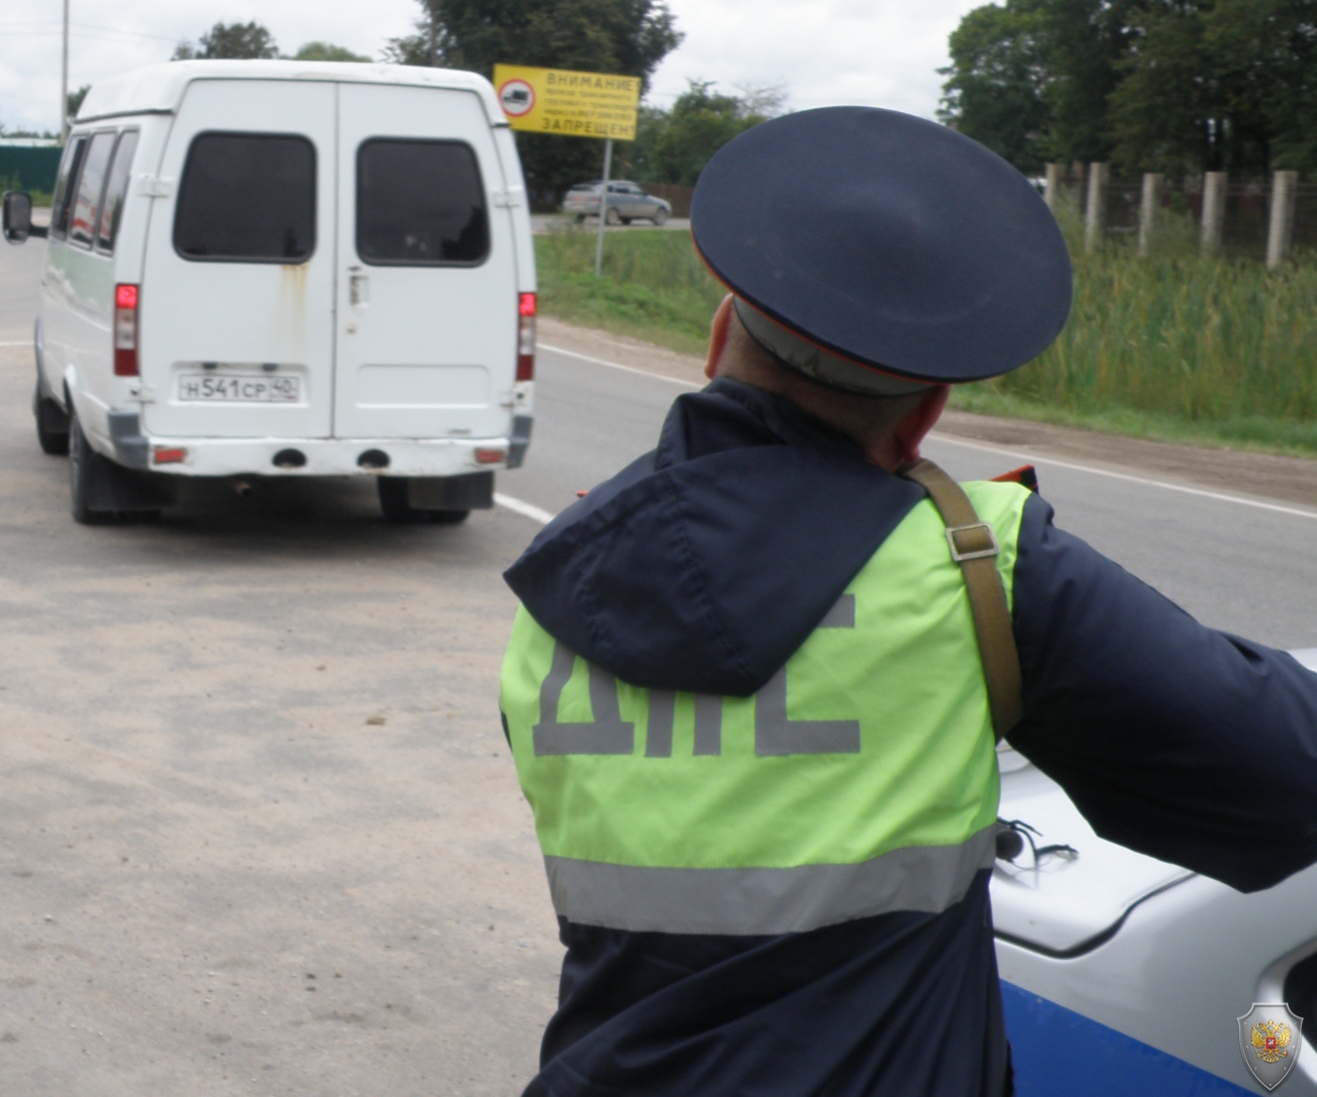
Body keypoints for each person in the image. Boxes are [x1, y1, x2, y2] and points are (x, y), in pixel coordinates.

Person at [496, 106, 1317, 1096]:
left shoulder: (556, 583)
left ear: (717, 340)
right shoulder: (981, 561)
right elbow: (1280, 771)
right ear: (924, 412)